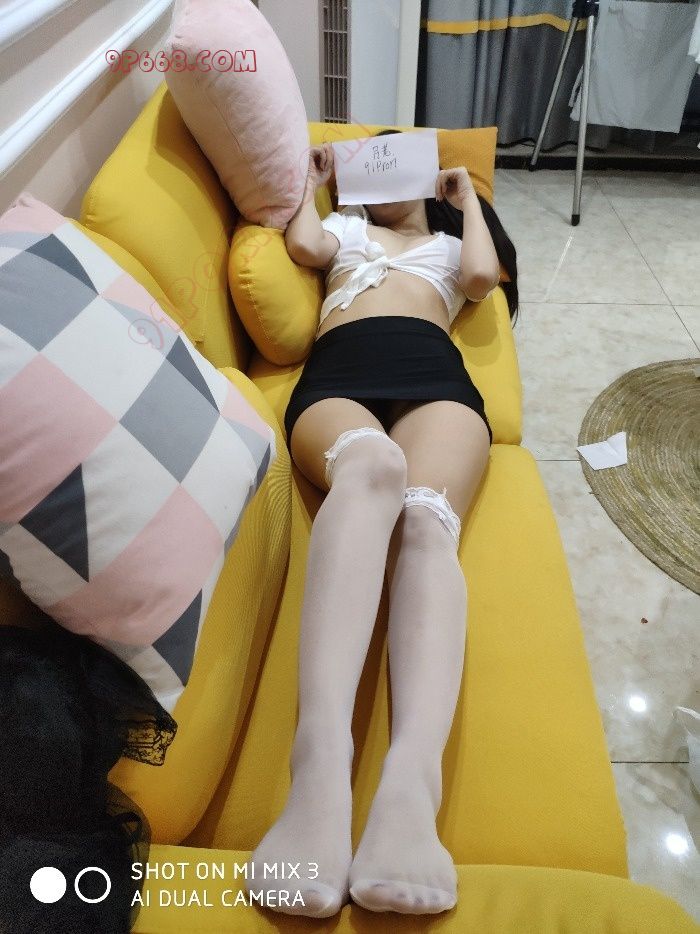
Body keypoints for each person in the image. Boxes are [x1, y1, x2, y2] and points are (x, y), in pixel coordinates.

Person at [247, 130, 519, 918]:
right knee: (372, 470)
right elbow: (301, 244)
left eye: (400, 165)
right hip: (341, 373)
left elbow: (482, 276)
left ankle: (410, 786)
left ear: (427, 180)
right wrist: (314, 180)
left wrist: (466, 198)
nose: (386, 179)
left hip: (434, 374)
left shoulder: (449, 246)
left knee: (427, 523)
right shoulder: (344, 231)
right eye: (374, 166)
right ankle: (319, 767)